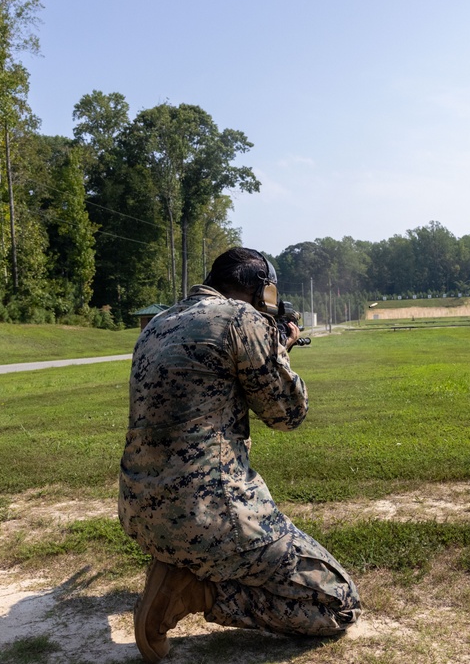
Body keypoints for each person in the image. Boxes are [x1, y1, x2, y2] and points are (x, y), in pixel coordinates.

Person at [119, 247, 361, 663]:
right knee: (338, 604)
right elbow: (287, 414)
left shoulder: (157, 323)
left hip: (140, 511)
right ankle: (195, 592)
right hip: (210, 514)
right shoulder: (240, 318)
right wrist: (278, 348)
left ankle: (181, 567)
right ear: (263, 291)